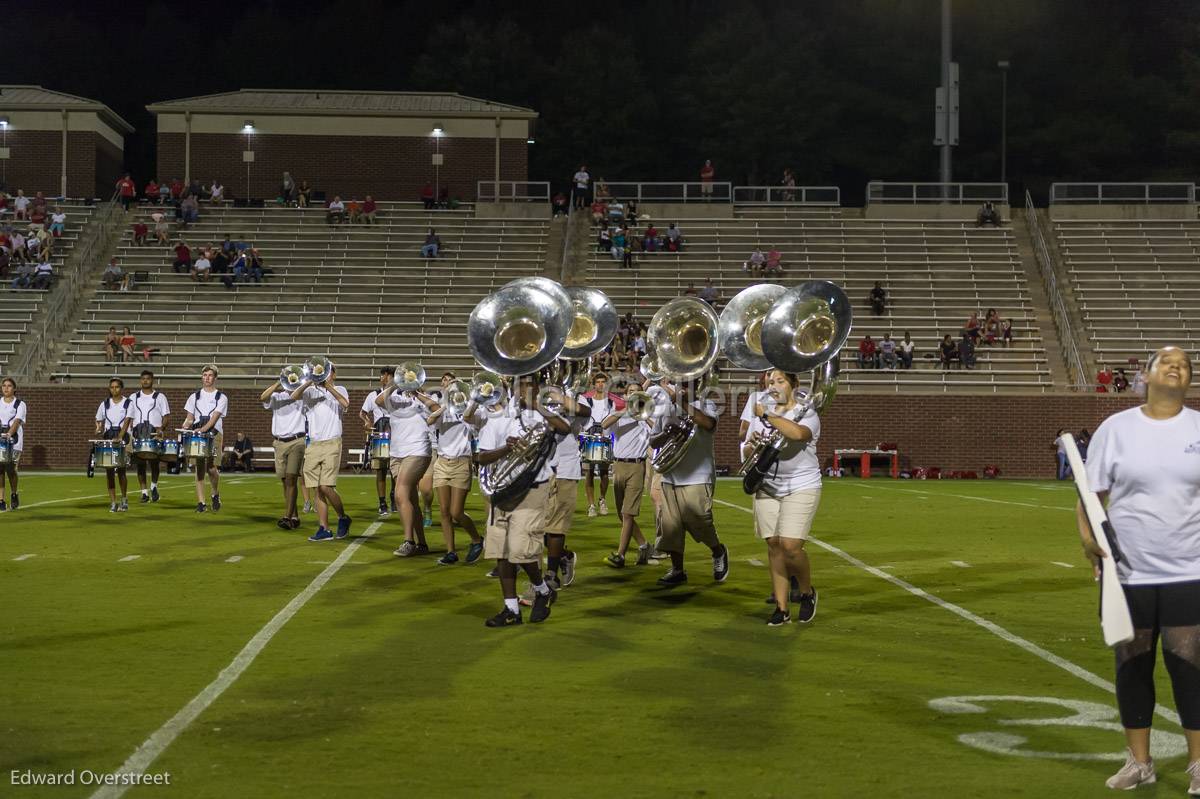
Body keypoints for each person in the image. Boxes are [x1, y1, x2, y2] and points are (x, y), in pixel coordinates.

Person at [1075, 346, 1200, 793]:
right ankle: (1139, 762)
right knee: (1132, 664)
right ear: (1145, 375)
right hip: (1129, 572)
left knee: (1190, 665)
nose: (1176, 368)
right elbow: (1091, 497)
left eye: (1184, 365)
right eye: (1166, 362)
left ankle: (1198, 765)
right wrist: (1089, 540)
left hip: (1190, 569)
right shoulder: (1117, 428)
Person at [476, 371, 570, 627]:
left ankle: (540, 587)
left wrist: (539, 406)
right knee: (501, 552)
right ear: (513, 388)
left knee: (520, 551)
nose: (525, 389)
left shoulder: (545, 416)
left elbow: (565, 428)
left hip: (532, 490)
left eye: (531, 384)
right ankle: (512, 609)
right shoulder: (498, 418)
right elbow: (481, 457)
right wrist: (507, 448)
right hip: (501, 491)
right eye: (521, 384)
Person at [745, 370, 821, 625]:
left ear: (794, 384)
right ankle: (781, 607)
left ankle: (808, 592)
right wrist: (752, 442)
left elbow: (798, 434)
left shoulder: (806, 412)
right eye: (770, 383)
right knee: (774, 545)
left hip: (801, 485)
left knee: (790, 546)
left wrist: (767, 415)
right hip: (768, 486)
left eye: (780, 382)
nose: (773, 387)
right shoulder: (762, 411)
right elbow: (746, 447)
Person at [649, 376, 730, 587]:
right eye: (680, 384)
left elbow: (708, 423)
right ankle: (677, 570)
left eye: (687, 384)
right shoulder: (665, 408)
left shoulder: (707, 404)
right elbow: (653, 439)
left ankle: (718, 550)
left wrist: (682, 403)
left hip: (697, 474)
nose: (683, 387)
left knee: (700, 522)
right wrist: (667, 433)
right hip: (670, 474)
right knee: (670, 527)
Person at [377, 374, 439, 556]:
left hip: (418, 450)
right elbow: (379, 400)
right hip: (397, 454)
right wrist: (396, 383)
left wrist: (417, 393)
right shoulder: (394, 399)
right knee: (411, 500)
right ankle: (422, 543)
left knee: (400, 494)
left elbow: (436, 408)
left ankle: (408, 541)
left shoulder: (425, 400)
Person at [424, 387, 486, 565]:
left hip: (461, 462)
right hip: (442, 462)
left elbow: (474, 425)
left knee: (456, 511)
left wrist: (468, 405)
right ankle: (450, 552)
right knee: (444, 511)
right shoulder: (443, 412)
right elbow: (430, 421)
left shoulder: (469, 412)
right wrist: (444, 406)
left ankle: (476, 539)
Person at [290, 366, 352, 541]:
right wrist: (310, 380)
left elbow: (346, 404)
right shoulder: (309, 391)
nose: (323, 376)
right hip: (313, 443)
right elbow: (293, 396)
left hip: (332, 441)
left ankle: (342, 517)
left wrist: (328, 386)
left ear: (333, 374)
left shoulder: (339, 389)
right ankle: (324, 528)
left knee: (326, 486)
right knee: (317, 488)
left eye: (327, 372)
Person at [602, 380, 653, 567]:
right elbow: (604, 426)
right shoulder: (619, 414)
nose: (633, 394)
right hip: (618, 466)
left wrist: (643, 413)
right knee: (622, 514)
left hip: (637, 467)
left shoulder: (646, 415)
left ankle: (621, 555)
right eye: (630, 392)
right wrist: (625, 410)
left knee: (628, 513)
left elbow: (656, 430)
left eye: (636, 392)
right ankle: (644, 545)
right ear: (625, 395)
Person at [261, 374, 307, 530]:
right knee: (285, 482)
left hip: (297, 441)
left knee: (291, 478)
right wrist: (278, 384)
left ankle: (287, 517)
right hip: (279, 442)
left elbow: (298, 394)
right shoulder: (276, 396)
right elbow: (263, 397)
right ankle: (294, 516)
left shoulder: (302, 396)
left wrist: (300, 385)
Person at [182, 365, 228, 513]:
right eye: (204, 375)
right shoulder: (193, 397)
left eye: (210, 375)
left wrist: (202, 430)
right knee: (199, 468)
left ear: (215, 378)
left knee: (212, 468)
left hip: (213, 434)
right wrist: (186, 424)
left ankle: (215, 493)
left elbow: (214, 419)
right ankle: (201, 503)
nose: (207, 378)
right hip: (197, 435)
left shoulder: (221, 397)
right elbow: (190, 418)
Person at [360, 367, 398, 518]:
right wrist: (367, 421)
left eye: (388, 375)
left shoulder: (397, 393)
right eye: (384, 375)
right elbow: (362, 412)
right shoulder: (373, 395)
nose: (384, 378)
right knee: (381, 469)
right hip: (380, 433)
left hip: (396, 433)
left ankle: (394, 496)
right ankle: (382, 502)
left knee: (395, 469)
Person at [94, 378, 134, 512]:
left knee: (121, 471)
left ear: (121, 388)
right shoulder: (104, 404)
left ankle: (124, 499)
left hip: (122, 439)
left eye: (117, 387)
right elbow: (99, 419)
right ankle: (113, 502)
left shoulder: (128, 403)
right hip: (109, 439)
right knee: (109, 471)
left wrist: (120, 436)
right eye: (112, 387)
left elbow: (127, 422)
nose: (114, 389)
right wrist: (99, 428)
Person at [131, 370, 170, 503]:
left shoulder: (160, 397)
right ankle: (144, 493)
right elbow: (128, 417)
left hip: (154, 433)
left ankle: (153, 487)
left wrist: (161, 428)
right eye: (143, 379)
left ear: (152, 380)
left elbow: (166, 416)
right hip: (138, 433)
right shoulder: (133, 397)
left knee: (154, 463)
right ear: (140, 380)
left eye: (148, 378)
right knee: (140, 464)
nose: (145, 381)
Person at [584, 373, 618, 517]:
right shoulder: (586, 401)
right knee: (589, 474)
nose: (600, 384)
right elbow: (584, 420)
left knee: (604, 474)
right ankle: (591, 505)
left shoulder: (611, 403)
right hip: (589, 439)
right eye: (597, 382)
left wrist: (608, 435)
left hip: (604, 440)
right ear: (594, 384)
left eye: (603, 382)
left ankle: (602, 499)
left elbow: (613, 422)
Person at [0, 377, 27, 511]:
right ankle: (1, 499)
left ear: (14, 388)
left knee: (11, 470)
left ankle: (14, 493)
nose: (6, 388)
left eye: (9, 386)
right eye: (4, 385)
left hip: (14, 441)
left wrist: (9, 434)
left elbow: (17, 422)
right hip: (1, 440)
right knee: (0, 469)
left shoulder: (20, 404)